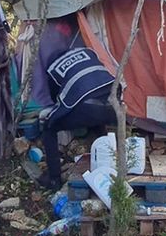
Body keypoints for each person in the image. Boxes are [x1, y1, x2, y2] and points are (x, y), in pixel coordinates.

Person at [37, 47, 117, 190]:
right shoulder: (87, 51)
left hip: (89, 110)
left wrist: (53, 117)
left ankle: (54, 179)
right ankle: (110, 160)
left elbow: (59, 100)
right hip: (114, 105)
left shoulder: (53, 69)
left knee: (49, 127)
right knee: (96, 115)